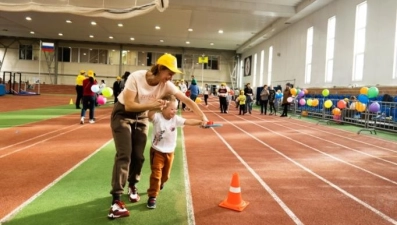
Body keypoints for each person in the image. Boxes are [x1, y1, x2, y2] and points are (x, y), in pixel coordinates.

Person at [108, 53, 209, 219]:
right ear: (160, 68)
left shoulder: (167, 85)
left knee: (138, 156)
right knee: (124, 154)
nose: (171, 77)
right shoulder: (136, 77)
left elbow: (186, 99)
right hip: (123, 114)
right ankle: (116, 200)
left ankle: (132, 185)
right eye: (169, 73)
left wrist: (202, 117)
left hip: (141, 117)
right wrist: (152, 105)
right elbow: (129, 105)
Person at [146, 95, 203, 209]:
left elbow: (188, 121)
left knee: (166, 176)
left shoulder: (175, 119)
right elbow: (149, 114)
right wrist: (155, 104)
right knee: (156, 174)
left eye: (176, 108)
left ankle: (161, 183)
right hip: (157, 151)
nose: (174, 111)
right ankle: (152, 196)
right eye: (172, 109)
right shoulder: (157, 117)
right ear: (163, 108)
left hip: (170, 152)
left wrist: (201, 122)